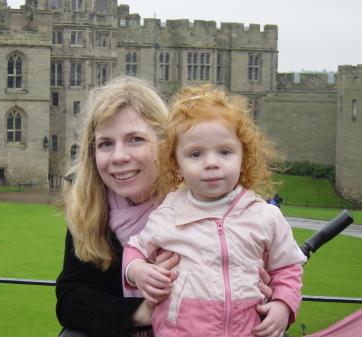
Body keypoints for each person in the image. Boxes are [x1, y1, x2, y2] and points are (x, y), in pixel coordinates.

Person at [55, 77, 275, 337]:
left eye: (135, 139)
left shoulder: (205, 202)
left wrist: (269, 301)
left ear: (165, 144)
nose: (119, 156)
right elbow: (71, 300)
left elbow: (275, 284)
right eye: (106, 144)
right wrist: (143, 313)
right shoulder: (91, 211)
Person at [124, 85, 307, 337]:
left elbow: (287, 268)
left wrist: (283, 304)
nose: (212, 163)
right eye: (196, 154)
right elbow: (134, 249)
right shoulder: (168, 213)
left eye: (224, 151)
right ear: (177, 164)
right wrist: (138, 272)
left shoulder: (265, 216)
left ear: (244, 156)